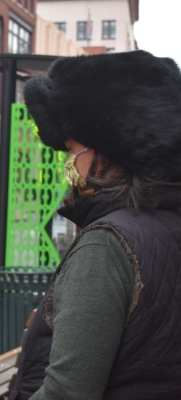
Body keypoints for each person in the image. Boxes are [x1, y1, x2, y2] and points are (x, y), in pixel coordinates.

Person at [9, 50, 181, 400]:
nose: (69, 161)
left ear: (108, 149)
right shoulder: (167, 223)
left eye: (73, 149)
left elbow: (66, 392)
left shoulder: (106, 245)